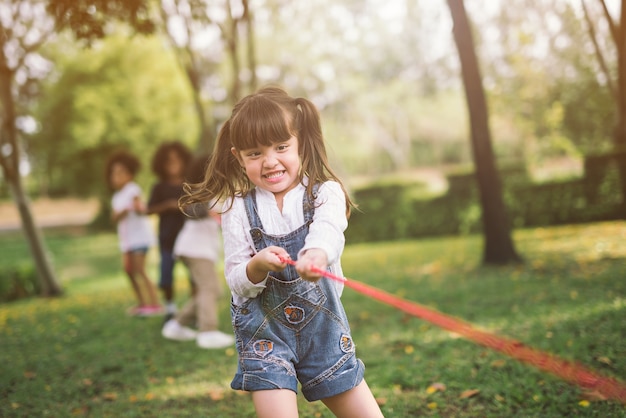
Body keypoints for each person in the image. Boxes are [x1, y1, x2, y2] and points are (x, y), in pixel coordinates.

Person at [181, 86, 384, 418]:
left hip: (324, 334)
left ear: (300, 142)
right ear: (238, 157)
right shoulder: (237, 209)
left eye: (281, 147)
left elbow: (329, 230)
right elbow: (236, 279)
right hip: (266, 339)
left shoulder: (325, 193)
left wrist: (316, 254)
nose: (270, 161)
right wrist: (257, 265)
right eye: (255, 153)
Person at [162, 154, 235, 349]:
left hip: (200, 249)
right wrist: (209, 210)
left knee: (211, 290)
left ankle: (176, 324)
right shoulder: (198, 193)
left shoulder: (215, 194)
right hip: (195, 249)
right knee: (209, 288)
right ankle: (208, 331)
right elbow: (192, 209)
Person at [106, 151, 162, 317]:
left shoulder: (132, 189)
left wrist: (137, 207)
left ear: (129, 175)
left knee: (140, 270)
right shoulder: (116, 197)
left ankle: (155, 304)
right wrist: (122, 211)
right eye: (113, 173)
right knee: (128, 270)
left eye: (120, 173)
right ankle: (142, 303)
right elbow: (114, 217)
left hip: (140, 238)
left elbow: (139, 207)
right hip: (127, 240)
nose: (116, 177)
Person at [147, 141, 193, 319]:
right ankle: (170, 308)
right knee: (166, 275)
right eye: (168, 161)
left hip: (189, 238)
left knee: (194, 276)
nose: (173, 165)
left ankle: (194, 308)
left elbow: (197, 207)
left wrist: (182, 206)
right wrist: (166, 206)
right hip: (167, 238)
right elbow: (148, 210)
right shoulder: (159, 187)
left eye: (177, 160)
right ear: (161, 165)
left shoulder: (190, 185)